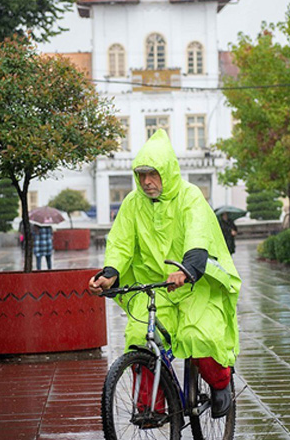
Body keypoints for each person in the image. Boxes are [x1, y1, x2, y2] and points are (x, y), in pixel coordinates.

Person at [88, 129, 241, 419]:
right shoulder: (133, 204)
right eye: (142, 174)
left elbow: (199, 235)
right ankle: (151, 407)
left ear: (168, 171)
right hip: (159, 288)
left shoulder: (190, 196)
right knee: (138, 336)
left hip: (197, 285)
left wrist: (187, 269)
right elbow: (120, 243)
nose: (147, 181)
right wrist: (110, 273)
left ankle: (221, 385)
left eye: (154, 174)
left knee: (200, 336)